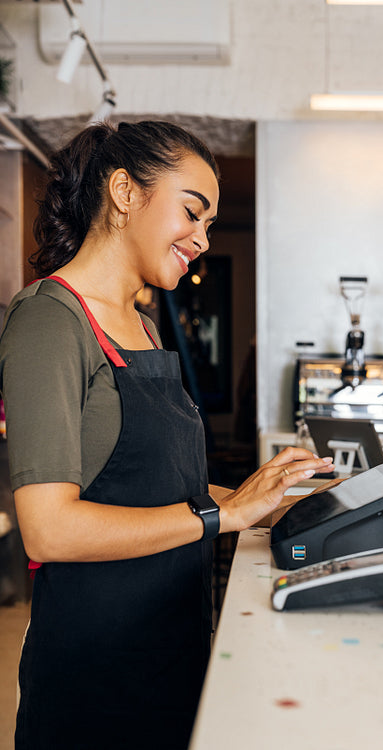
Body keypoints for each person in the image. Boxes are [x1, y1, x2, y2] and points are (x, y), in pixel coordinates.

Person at [0, 120, 334, 750]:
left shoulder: (145, 326)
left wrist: (263, 504)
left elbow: (158, 488)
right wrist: (220, 514)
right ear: (125, 193)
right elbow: (50, 528)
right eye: (192, 212)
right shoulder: (48, 320)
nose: (202, 239)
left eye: (209, 225)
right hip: (96, 677)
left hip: (171, 646)